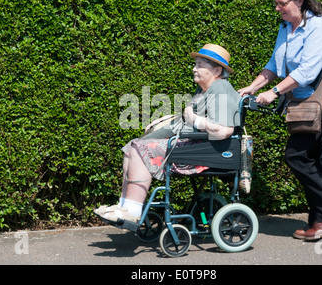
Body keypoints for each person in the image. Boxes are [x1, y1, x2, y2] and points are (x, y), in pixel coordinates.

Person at [239, 0, 322, 241]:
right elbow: (274, 65)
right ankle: (321, 223)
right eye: (276, 4)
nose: (278, 9)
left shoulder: (320, 26)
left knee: (297, 156)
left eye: (282, 3)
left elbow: (308, 71)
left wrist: (274, 93)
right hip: (302, 99)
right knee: (316, 159)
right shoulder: (286, 27)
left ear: (299, 0)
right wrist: (252, 87)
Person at [95, 44, 242, 223]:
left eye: (200, 65)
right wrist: (168, 119)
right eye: (195, 64)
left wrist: (193, 119)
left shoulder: (221, 88)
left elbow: (224, 131)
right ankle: (124, 206)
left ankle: (132, 211)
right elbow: (192, 116)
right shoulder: (204, 90)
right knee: (130, 149)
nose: (194, 69)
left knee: (139, 149)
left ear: (217, 70)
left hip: (203, 150)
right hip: (191, 144)